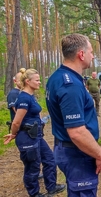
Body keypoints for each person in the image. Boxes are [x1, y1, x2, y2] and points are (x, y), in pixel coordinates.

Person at [46, 33, 101, 197]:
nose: (92, 56)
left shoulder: (57, 77)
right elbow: (77, 132)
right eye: (91, 52)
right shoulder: (70, 84)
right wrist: (99, 153)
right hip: (77, 153)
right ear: (81, 54)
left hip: (67, 148)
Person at [4, 68, 65, 197]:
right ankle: (34, 193)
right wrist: (14, 134)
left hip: (36, 136)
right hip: (27, 138)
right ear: (28, 81)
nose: (39, 82)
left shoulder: (31, 96)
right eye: (37, 80)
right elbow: (16, 122)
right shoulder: (24, 98)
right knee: (33, 167)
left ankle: (51, 186)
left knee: (49, 159)